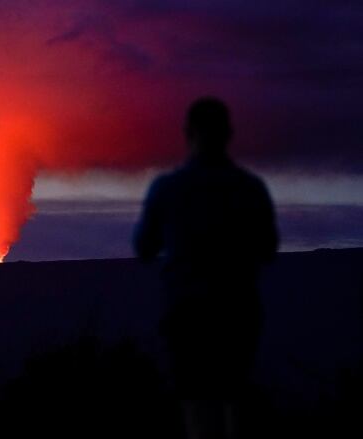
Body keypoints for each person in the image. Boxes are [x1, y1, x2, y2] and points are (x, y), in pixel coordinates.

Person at [133, 97, 279, 439]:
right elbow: (269, 249)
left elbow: (144, 248)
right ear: (228, 133)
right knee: (234, 396)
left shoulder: (167, 189)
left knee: (196, 402)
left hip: (187, 311)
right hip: (237, 309)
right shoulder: (250, 188)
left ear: (187, 133)